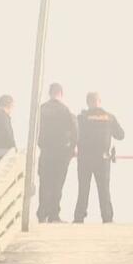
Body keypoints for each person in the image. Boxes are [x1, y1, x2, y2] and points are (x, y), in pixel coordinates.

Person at [74, 92, 125, 224]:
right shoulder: (109, 117)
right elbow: (120, 135)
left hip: (84, 158)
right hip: (103, 158)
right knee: (104, 189)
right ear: (99, 101)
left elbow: (74, 135)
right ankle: (107, 217)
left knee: (83, 188)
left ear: (88, 102)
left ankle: (79, 217)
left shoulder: (82, 117)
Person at [36, 83, 77, 223]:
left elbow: (34, 131)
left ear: (49, 93)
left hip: (46, 152)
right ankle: (54, 214)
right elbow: (75, 131)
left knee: (44, 183)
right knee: (57, 184)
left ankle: (42, 214)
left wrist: (40, 144)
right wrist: (71, 150)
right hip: (61, 153)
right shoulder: (66, 110)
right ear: (61, 93)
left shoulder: (41, 110)